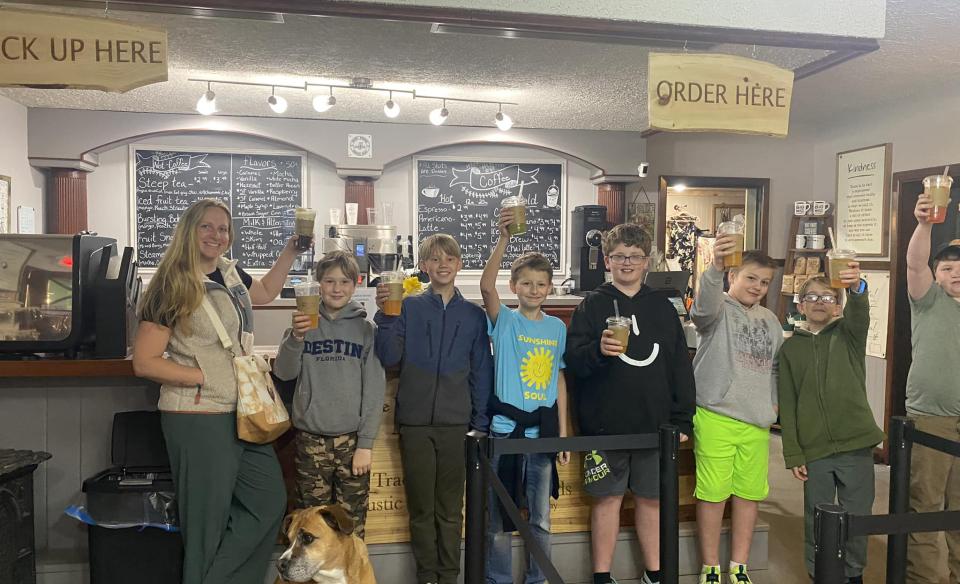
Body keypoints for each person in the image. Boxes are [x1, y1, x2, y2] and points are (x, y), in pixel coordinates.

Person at [132, 198, 299, 584]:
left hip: (242, 412)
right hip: (197, 417)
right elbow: (145, 361)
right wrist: (203, 377)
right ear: (189, 230)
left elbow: (266, 293)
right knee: (205, 526)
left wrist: (290, 252)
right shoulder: (169, 284)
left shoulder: (230, 272)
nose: (216, 235)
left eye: (223, 228)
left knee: (268, 502)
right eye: (207, 227)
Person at [564, 223, 696, 584]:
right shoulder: (591, 305)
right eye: (620, 256)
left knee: (652, 500)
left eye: (635, 257)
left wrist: (683, 419)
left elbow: (679, 365)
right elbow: (573, 362)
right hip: (604, 426)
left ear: (646, 262)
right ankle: (602, 575)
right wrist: (597, 351)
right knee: (606, 501)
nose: (627, 263)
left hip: (655, 426)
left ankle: (654, 572)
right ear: (607, 260)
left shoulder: (663, 308)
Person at [374, 233, 493, 584]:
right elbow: (389, 356)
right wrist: (386, 316)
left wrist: (480, 422)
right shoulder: (407, 307)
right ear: (424, 266)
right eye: (435, 259)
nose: (443, 264)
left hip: (457, 425)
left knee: (450, 509)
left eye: (450, 258)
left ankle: (449, 575)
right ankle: (427, 576)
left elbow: (481, 371)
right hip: (415, 423)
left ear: (459, 264)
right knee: (422, 509)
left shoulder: (473, 316)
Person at [479, 208, 570, 584]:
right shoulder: (505, 322)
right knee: (497, 521)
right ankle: (497, 580)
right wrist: (504, 239)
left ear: (550, 288)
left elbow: (559, 381)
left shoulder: (556, 328)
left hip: (541, 436)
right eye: (527, 283)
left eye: (541, 284)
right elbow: (486, 287)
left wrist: (563, 434)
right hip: (504, 432)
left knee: (541, 520)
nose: (534, 290)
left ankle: (538, 579)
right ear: (515, 286)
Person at [777, 270, 882, 584]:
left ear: (838, 304)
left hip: (856, 445)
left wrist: (856, 288)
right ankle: (819, 570)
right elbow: (789, 404)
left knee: (857, 515)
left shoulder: (848, 335)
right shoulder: (790, 350)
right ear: (801, 304)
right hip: (816, 450)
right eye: (812, 297)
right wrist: (794, 453)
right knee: (817, 518)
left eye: (828, 297)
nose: (819, 303)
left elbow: (860, 311)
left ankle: (853, 573)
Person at [272, 250, 386, 539]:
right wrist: (296, 339)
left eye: (345, 282)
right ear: (318, 283)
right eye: (329, 281)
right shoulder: (302, 324)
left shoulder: (366, 330)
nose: (337, 288)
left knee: (351, 525)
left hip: (351, 443)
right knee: (311, 527)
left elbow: (374, 390)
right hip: (310, 440)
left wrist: (366, 444)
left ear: (356, 284)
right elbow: (284, 373)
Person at [690, 243, 781, 584]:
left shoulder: (770, 321)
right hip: (715, 416)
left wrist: (772, 403)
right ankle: (711, 565)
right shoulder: (717, 310)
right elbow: (701, 309)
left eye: (765, 281)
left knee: (749, 495)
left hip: (756, 423)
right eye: (751, 278)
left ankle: (738, 565)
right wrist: (714, 266)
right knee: (713, 495)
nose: (757, 286)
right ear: (732, 276)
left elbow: (774, 368)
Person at [904, 193, 960, 584]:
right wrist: (924, 224)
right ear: (937, 274)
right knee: (924, 508)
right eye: (947, 267)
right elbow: (914, 262)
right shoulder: (928, 300)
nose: (955, 273)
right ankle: (924, 580)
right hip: (931, 419)